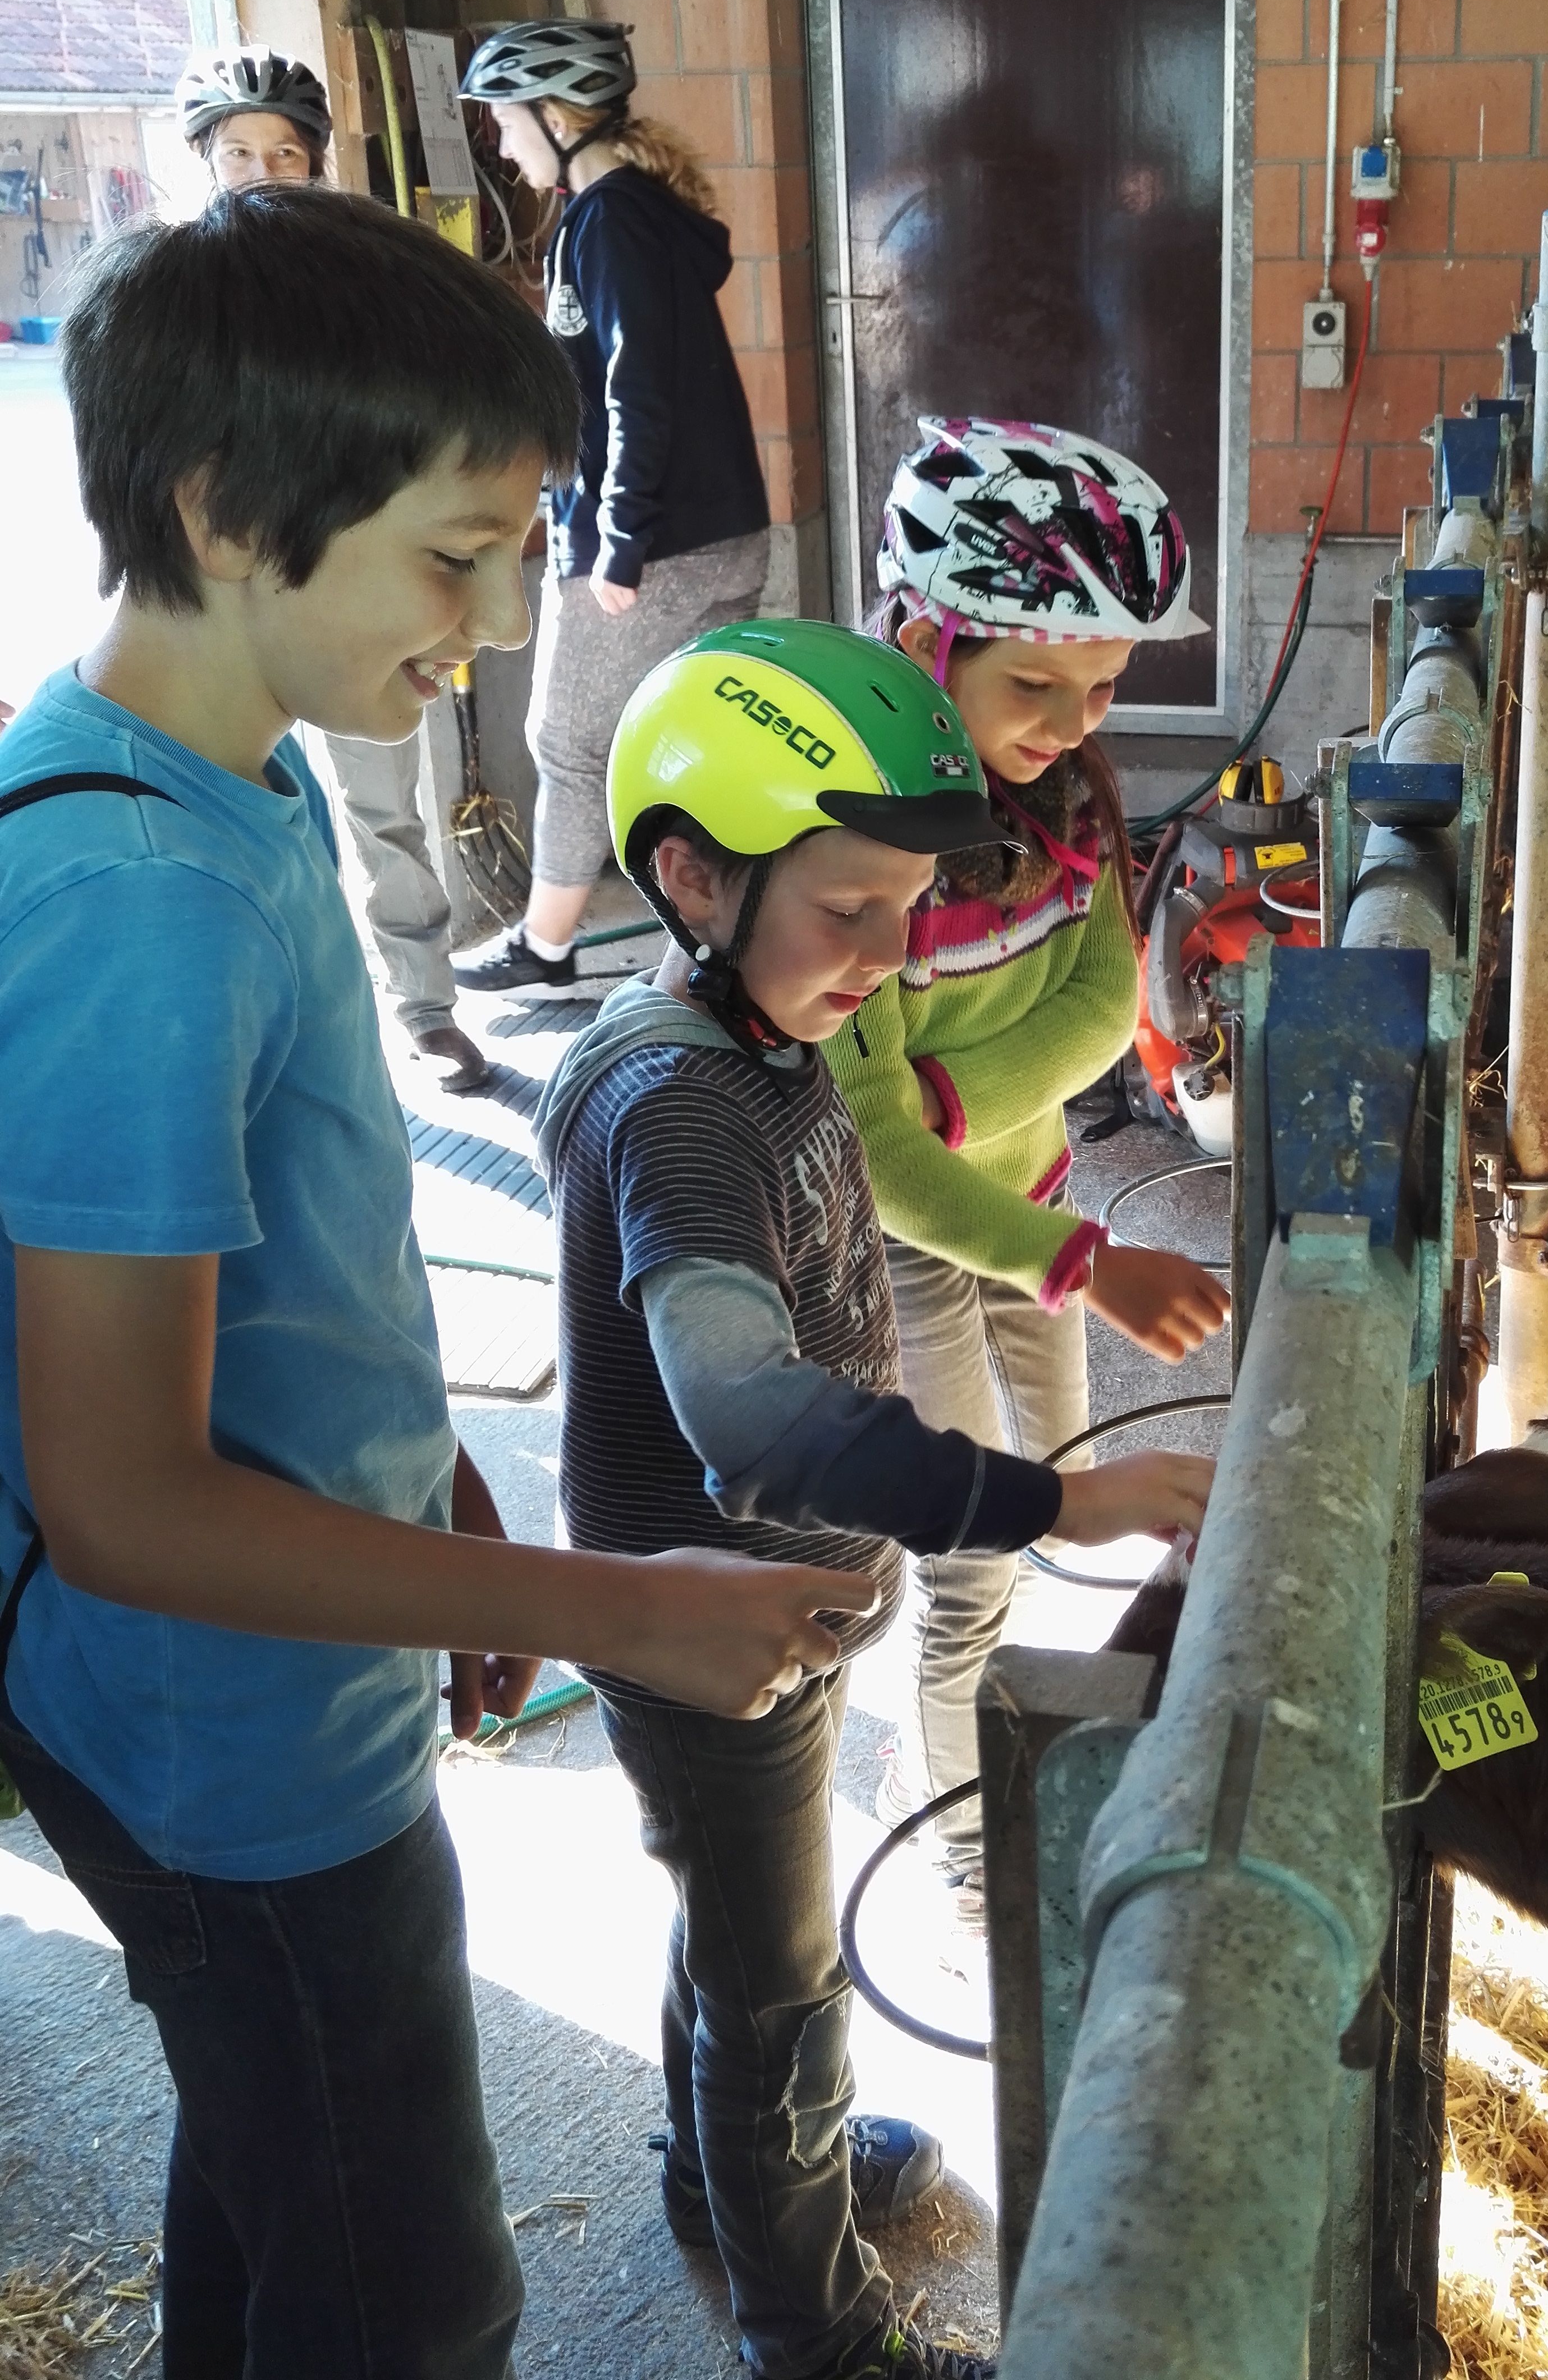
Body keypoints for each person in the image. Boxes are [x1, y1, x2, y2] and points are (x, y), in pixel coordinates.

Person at [0, 186, 865, 2379]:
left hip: (277, 1671)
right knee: (413, 2299)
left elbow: (289, 1266)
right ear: (225, 508)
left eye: (514, 553)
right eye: (453, 556)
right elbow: (121, 1501)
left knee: (278, 2178)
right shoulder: (138, 897)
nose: (489, 627)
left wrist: (437, 1504)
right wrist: (613, 1604)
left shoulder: (232, 770)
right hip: (228, 1750)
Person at [535, 618, 1215, 2380]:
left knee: (735, 1929)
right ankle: (818, 2337)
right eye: (852, 910)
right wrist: (1049, 1503)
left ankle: (725, 2179)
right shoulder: (685, 1108)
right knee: (782, 2001)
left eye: (909, 911)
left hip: (776, 1598)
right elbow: (747, 1412)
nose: (891, 957)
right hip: (712, 1623)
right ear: (692, 875)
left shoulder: (755, 1023)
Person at [828, 416, 1230, 1924]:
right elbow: (878, 1159)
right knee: (976, 1554)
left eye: (1105, 684)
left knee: (1063, 1481)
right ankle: (960, 1859)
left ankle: (957, 1765)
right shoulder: (856, 829)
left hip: (1033, 1199)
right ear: (925, 641)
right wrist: (1084, 1261)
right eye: (1036, 685)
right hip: (919, 1247)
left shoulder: (1068, 803)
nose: (1075, 721)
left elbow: (1101, 1007)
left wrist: (942, 1090)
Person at [175, 44, 492, 1095]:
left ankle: (423, 1006)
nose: (262, 173)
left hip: (352, 596)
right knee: (244, 811)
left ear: (316, 162)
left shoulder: (371, 292)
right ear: (206, 163)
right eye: (238, 153)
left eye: (285, 153)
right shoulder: (175, 297)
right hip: (224, 604)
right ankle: (276, 1022)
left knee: (383, 802)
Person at [450, 18, 773, 997]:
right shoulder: (628, 214)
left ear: (558, 120)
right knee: (684, 747)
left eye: (508, 123)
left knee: (573, 740)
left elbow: (638, 387)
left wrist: (619, 537)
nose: (503, 146)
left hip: (657, 541)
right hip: (710, 528)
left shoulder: (612, 219)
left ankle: (547, 945)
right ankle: (723, 942)